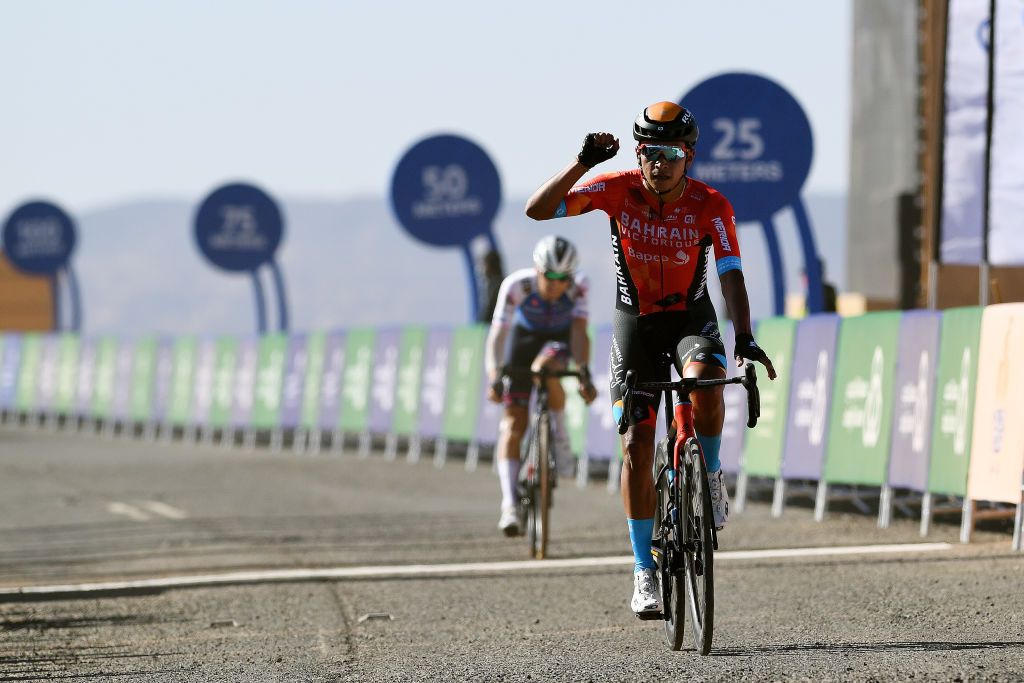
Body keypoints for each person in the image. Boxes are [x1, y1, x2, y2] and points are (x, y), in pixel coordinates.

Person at [524, 102, 776, 617]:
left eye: (670, 155)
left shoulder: (711, 204)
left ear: (689, 157)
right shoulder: (617, 189)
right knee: (638, 442)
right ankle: (644, 569)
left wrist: (744, 334)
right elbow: (537, 210)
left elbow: (731, 274)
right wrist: (582, 163)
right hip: (634, 324)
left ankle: (709, 471)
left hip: (690, 319)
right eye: (648, 154)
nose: (658, 165)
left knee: (707, 381)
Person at [484, 235, 598, 536]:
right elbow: (497, 337)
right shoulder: (516, 286)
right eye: (550, 276)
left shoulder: (579, 288)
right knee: (513, 424)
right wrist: (495, 376)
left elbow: (579, 332)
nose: (556, 284)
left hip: (559, 342)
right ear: (537, 270)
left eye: (564, 278)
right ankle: (509, 505)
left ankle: (559, 437)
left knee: (546, 369)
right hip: (521, 342)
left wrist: (583, 371)